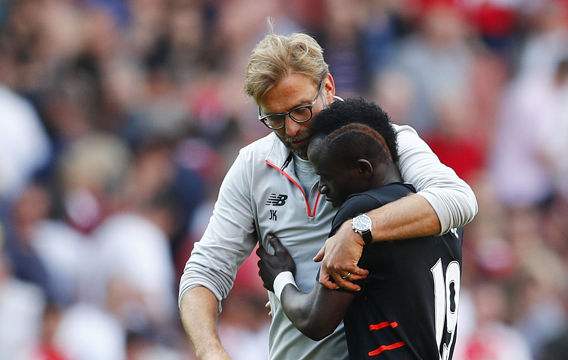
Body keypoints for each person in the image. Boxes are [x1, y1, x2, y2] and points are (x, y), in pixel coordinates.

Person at [179, 28, 477, 360]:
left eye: (300, 110)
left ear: (329, 87)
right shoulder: (253, 165)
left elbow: (459, 199)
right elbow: (205, 269)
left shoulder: (384, 143)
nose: (291, 129)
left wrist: (358, 229)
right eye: (274, 119)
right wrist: (209, 349)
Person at [257, 98, 463, 359]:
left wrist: (280, 279)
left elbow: (316, 321)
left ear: (362, 169)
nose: (321, 188)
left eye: (325, 175)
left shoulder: (361, 211)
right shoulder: (444, 219)